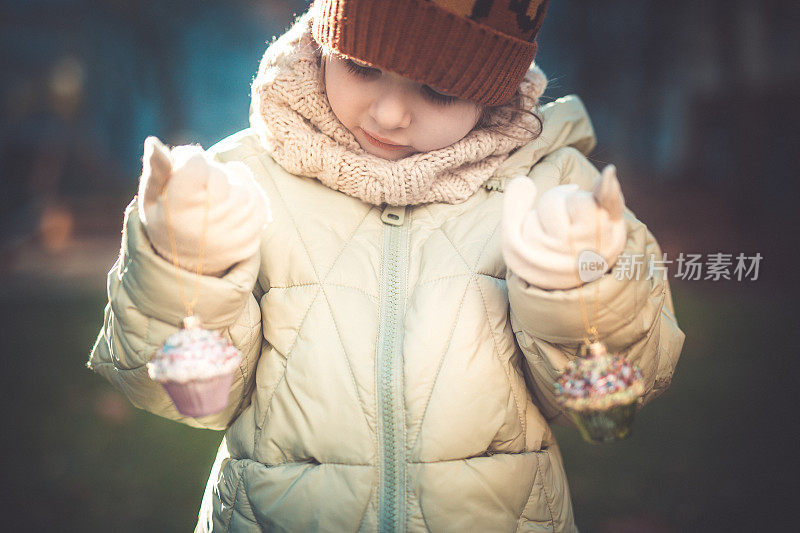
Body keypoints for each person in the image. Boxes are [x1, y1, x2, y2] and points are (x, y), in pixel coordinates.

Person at [86, 1, 685, 531]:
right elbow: (179, 394)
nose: (392, 112)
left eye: (439, 90)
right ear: (327, 41)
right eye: (364, 67)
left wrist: (578, 284)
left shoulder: (550, 185)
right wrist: (183, 264)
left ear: (492, 90)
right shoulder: (242, 182)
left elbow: (623, 382)